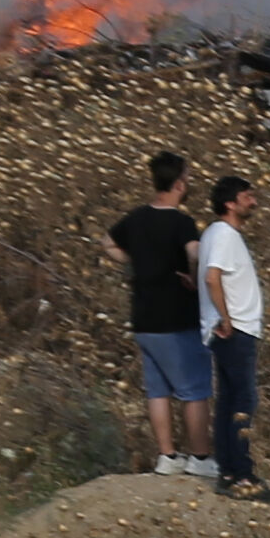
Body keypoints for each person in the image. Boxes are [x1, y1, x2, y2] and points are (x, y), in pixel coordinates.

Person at [104, 150, 206, 476]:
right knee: (195, 390)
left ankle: (167, 456)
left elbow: (106, 243)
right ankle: (201, 459)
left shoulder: (135, 219)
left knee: (157, 390)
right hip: (176, 318)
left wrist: (133, 261)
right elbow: (195, 252)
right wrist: (192, 275)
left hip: (144, 318)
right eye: (188, 178)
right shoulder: (181, 222)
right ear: (178, 183)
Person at [194, 174, 270, 504]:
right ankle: (242, 475)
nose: (253, 201)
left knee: (230, 400)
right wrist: (226, 319)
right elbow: (212, 277)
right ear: (230, 203)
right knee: (243, 402)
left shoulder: (217, 235)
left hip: (231, 328)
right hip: (235, 329)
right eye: (247, 195)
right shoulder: (225, 235)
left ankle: (229, 472)